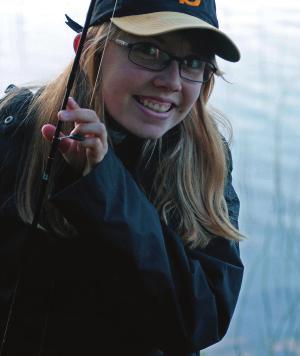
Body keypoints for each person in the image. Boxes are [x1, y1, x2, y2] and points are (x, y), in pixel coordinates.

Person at [0, 0, 243, 355]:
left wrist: (104, 184)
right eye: (148, 50)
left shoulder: (207, 160)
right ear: (86, 49)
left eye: (193, 62)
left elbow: (200, 319)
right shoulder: (15, 129)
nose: (171, 81)